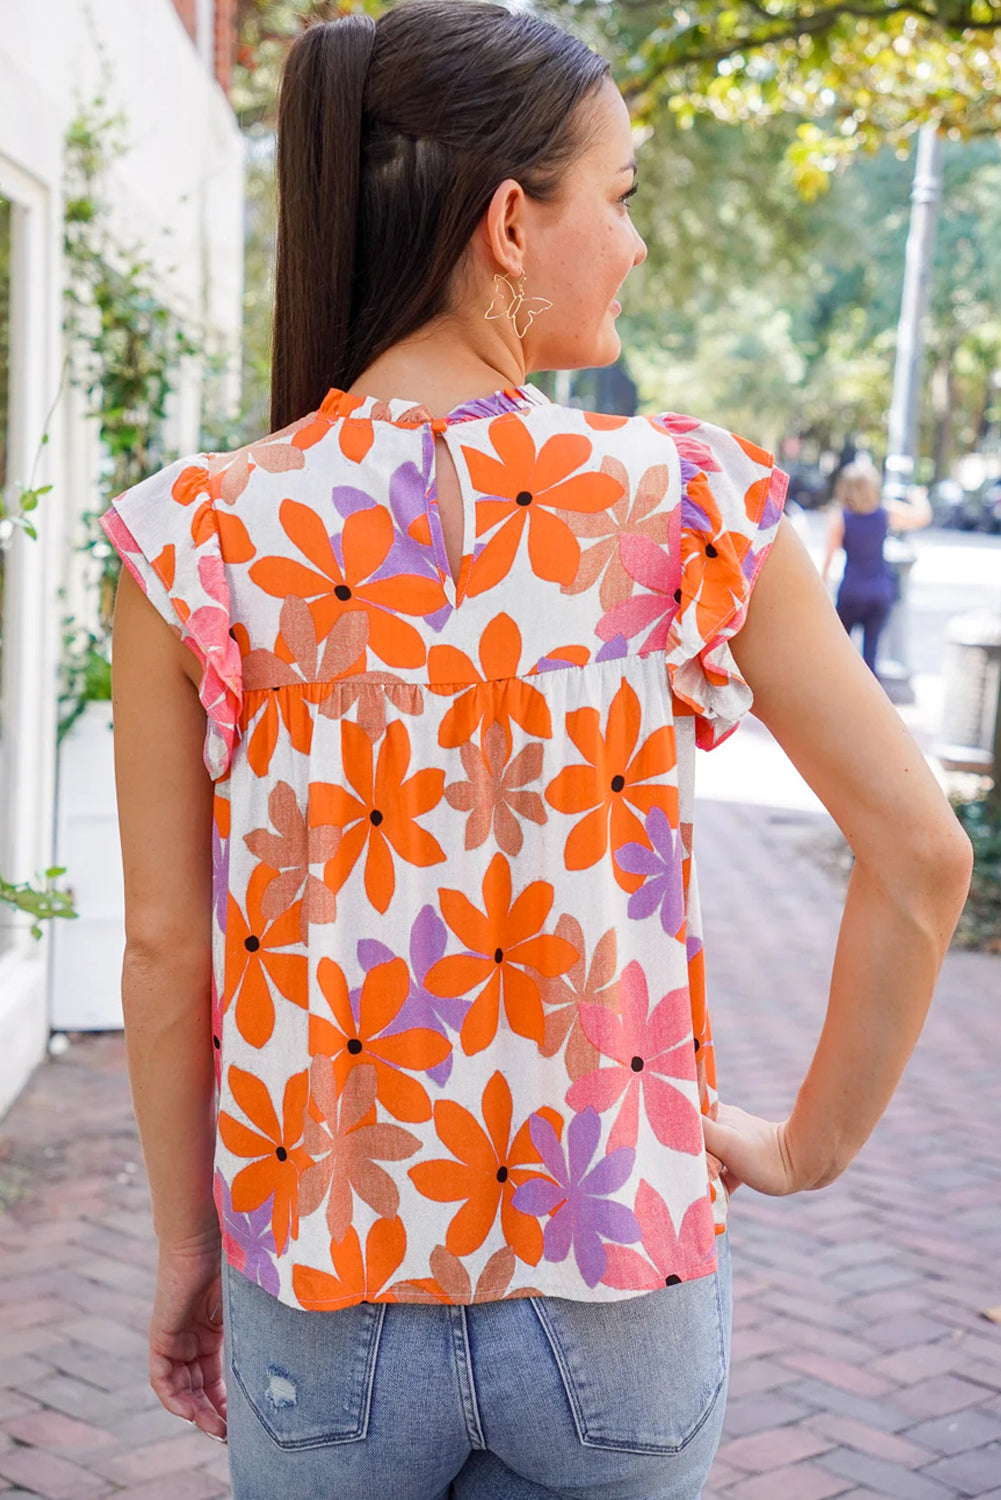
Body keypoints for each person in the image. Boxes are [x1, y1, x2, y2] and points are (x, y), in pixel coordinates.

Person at [100, 4, 972, 1497]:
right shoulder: (691, 502)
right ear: (512, 221)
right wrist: (801, 1149)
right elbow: (919, 857)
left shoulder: (199, 534)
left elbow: (171, 946)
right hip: (619, 1275)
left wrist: (191, 1247)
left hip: (320, 1279)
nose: (632, 243)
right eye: (620, 197)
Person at [820, 459, 932, 675]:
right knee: (871, 657)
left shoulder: (839, 518)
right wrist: (919, 497)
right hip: (880, 591)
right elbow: (922, 517)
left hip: (851, 591)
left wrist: (820, 593)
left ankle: (841, 700)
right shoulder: (885, 513)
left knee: (839, 653)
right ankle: (869, 702)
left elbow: (828, 560)